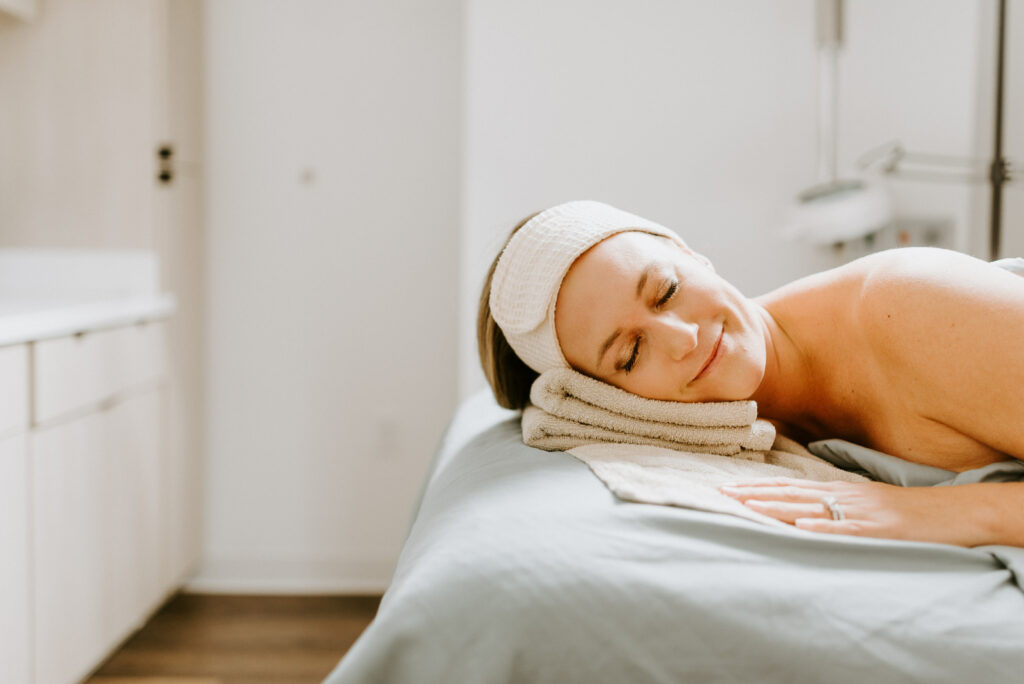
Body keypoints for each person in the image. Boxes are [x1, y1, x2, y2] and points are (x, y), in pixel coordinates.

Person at [478, 200, 1024, 548]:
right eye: (630, 355)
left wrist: (966, 513)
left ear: (690, 254)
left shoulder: (909, 305)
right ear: (612, 401)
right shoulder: (746, 432)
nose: (683, 337)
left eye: (667, 290)